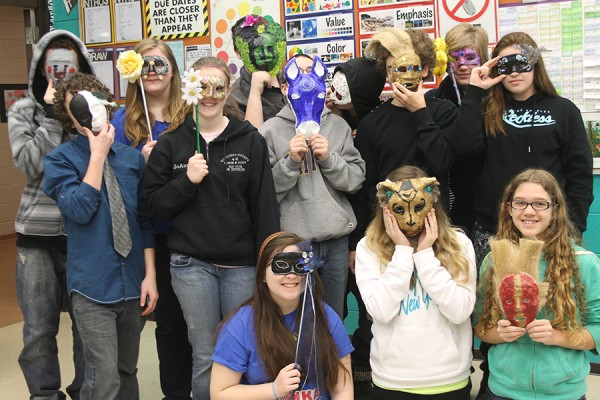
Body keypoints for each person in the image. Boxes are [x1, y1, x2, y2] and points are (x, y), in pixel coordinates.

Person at [143, 56, 280, 400]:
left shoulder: (249, 140)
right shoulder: (173, 143)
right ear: (190, 90)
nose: (210, 95)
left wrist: (267, 266)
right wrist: (186, 181)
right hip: (192, 265)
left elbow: (265, 207)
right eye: (201, 86)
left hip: (242, 265)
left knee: (244, 352)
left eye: (218, 87)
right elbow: (152, 206)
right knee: (205, 354)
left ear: (228, 90)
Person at [43, 72, 158, 399]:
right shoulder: (59, 160)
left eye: (93, 100)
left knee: (127, 372)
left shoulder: (132, 160)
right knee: (102, 378)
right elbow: (78, 209)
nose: (88, 110)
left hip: (132, 283)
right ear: (69, 118)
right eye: (76, 106)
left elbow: (145, 221)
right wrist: (97, 154)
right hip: (92, 288)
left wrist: (150, 276)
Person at [452, 31, 593, 267]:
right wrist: (476, 91)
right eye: (506, 66)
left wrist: (573, 229)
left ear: (536, 66)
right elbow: (464, 148)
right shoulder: (487, 109)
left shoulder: (564, 111)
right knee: (493, 301)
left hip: (548, 229)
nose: (515, 72)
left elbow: (579, 174)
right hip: (493, 229)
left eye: (522, 63)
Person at [7, 29, 93, 400]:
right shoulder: (23, 110)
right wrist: (52, 117)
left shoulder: (90, 108)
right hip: (36, 237)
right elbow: (29, 164)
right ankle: (43, 394)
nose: (60, 73)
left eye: (68, 66)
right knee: (39, 328)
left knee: (86, 326)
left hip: (83, 234)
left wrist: (74, 111)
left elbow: (93, 162)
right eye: (53, 66)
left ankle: (86, 390)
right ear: (42, 68)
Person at [348, 27, 457, 307]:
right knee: (386, 308)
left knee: (437, 304)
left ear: (424, 70)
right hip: (386, 234)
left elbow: (442, 163)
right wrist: (356, 244)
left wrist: (420, 112)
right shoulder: (372, 124)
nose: (404, 74)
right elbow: (364, 186)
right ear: (386, 72)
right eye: (393, 68)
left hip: (436, 231)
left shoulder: (442, 111)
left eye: (412, 67)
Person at [111, 37, 193, 400]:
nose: (154, 72)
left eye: (161, 64)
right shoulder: (120, 121)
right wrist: (141, 164)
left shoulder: (191, 113)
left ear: (173, 70)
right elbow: (114, 187)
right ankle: (175, 393)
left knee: (203, 322)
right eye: (146, 65)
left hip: (192, 230)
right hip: (150, 237)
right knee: (170, 324)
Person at [473, 169, 600, 400]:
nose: (529, 211)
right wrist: (500, 334)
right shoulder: (494, 259)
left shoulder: (584, 262)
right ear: (509, 209)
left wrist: (558, 337)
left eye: (540, 203)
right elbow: (480, 325)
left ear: (556, 209)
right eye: (520, 203)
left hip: (563, 394)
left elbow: (598, 328)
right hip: (502, 391)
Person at [355, 165, 476, 399]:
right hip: (392, 381)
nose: (410, 218)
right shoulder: (369, 248)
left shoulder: (459, 244)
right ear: (385, 207)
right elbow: (380, 310)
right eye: (399, 209)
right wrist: (402, 251)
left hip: (449, 380)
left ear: (432, 204)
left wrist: (424, 255)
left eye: (419, 207)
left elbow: (460, 311)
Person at [259, 54, 366, 318]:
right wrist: (289, 162)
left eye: (311, 71)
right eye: (298, 71)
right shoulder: (270, 131)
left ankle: (331, 361)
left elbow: (355, 181)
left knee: (332, 316)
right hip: (294, 242)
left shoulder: (338, 126)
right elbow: (265, 193)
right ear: (285, 87)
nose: (306, 77)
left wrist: (329, 158)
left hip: (335, 239)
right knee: (295, 316)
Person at [210, 231, 354, 399]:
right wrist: (273, 390)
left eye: (299, 265)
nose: (292, 275)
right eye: (281, 265)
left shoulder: (326, 317)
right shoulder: (239, 326)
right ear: (262, 275)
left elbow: (342, 388)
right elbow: (219, 393)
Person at [325, 55, 386, 397]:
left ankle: (365, 374)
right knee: (333, 311)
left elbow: (365, 188)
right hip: (336, 234)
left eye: (343, 86)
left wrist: (358, 242)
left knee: (369, 312)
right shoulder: (323, 123)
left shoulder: (376, 124)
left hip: (366, 235)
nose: (332, 91)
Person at [426, 23, 489, 235]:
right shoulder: (432, 101)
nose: (462, 65)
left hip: (487, 203)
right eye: (454, 58)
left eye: (470, 57)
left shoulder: (498, 99)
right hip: (446, 201)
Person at [230, 14, 287, 127]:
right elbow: (250, 141)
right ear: (238, 52)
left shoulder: (289, 79)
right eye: (256, 49)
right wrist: (255, 93)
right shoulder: (234, 99)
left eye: (269, 47)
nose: (265, 54)